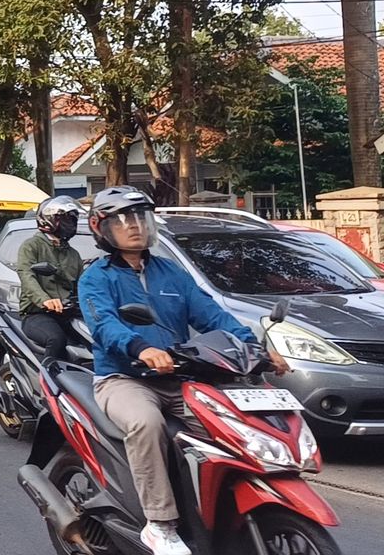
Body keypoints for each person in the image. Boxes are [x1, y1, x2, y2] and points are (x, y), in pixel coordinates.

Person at [79, 187, 290, 555]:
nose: (135, 228)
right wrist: (141, 348)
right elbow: (104, 325)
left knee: (230, 426)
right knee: (146, 423)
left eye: (140, 219)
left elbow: (212, 315)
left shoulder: (170, 272)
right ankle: (160, 524)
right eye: (124, 221)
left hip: (181, 377)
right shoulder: (96, 278)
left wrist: (256, 348)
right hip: (124, 378)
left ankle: (225, 504)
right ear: (102, 229)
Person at [15, 196, 86, 360]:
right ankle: (47, 381)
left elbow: (82, 285)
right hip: (37, 314)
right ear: (48, 220)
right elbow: (26, 274)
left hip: (68, 314)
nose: (70, 223)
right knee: (56, 340)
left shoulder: (73, 255)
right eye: (65, 219)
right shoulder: (31, 246)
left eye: (72, 219)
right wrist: (45, 300)